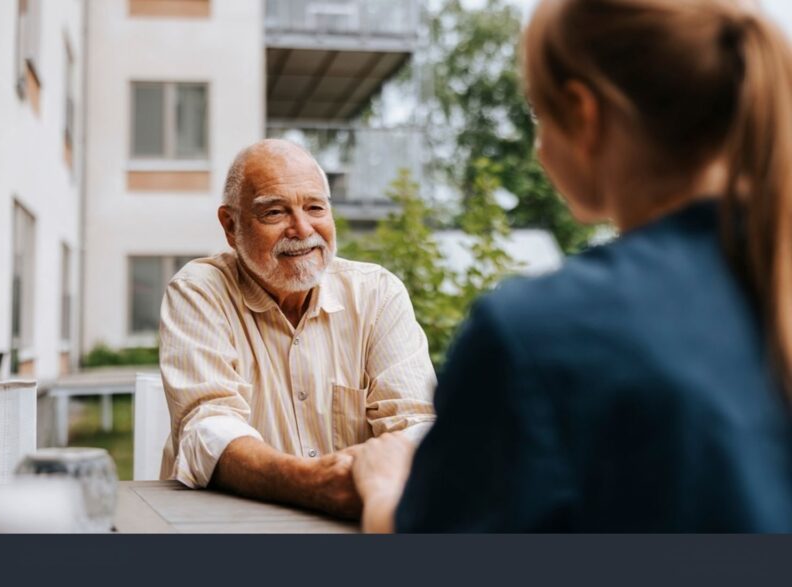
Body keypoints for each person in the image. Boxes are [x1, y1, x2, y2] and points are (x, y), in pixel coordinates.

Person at [352, 0, 792, 532]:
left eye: (540, 115)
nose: (538, 150)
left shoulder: (535, 337)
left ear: (585, 115)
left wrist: (384, 490)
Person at [159, 139, 436, 518]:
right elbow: (207, 429)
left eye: (315, 207)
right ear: (230, 225)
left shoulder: (377, 293)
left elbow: (417, 423)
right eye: (274, 212)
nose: (303, 229)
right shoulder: (199, 291)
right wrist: (313, 482)